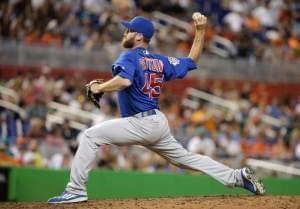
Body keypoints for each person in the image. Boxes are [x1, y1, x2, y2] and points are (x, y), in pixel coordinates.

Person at [48, 13, 265, 204]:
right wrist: (200, 32)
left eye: (129, 30)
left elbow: (123, 81)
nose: (125, 33)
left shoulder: (129, 56)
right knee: (185, 158)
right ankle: (237, 177)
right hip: (156, 123)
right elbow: (190, 61)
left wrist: (99, 87)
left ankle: (75, 191)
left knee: (89, 136)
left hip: (140, 122)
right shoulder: (159, 61)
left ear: (139, 37)